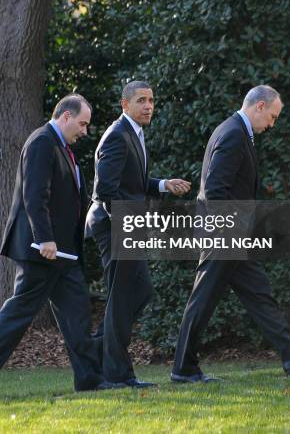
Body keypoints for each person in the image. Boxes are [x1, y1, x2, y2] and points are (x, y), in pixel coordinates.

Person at [0, 94, 121, 400]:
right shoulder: (42, 142)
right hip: (42, 250)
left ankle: (89, 379)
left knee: (77, 314)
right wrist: (44, 238)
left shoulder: (59, 146)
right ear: (65, 117)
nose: (85, 131)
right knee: (18, 314)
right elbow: (35, 196)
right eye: (82, 123)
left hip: (64, 253)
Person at [171, 85, 290, 383]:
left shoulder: (235, 131)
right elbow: (216, 189)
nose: (271, 124)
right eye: (272, 116)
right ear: (259, 106)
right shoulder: (233, 134)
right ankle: (183, 369)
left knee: (258, 293)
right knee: (202, 300)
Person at [85, 81, 191, 387]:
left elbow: (133, 181)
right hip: (116, 225)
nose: (148, 106)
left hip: (125, 224)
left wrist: (162, 185)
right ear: (125, 104)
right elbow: (105, 190)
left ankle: (98, 351)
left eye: (151, 100)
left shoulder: (134, 133)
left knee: (140, 291)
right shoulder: (118, 135)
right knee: (122, 298)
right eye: (141, 100)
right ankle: (117, 374)